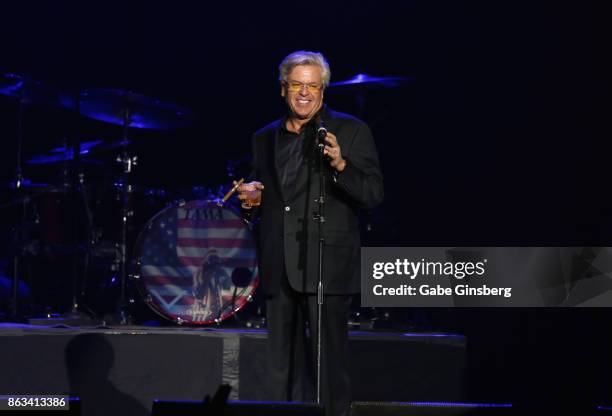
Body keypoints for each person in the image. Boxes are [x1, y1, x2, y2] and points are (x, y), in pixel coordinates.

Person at [237, 50, 383, 416]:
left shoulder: (350, 130)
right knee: (279, 370)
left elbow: (372, 195)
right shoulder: (263, 137)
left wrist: (340, 164)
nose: (305, 93)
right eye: (297, 85)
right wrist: (252, 200)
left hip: (326, 264)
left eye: (313, 86)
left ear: (324, 90)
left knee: (328, 370)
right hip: (277, 265)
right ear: (283, 88)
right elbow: (266, 202)